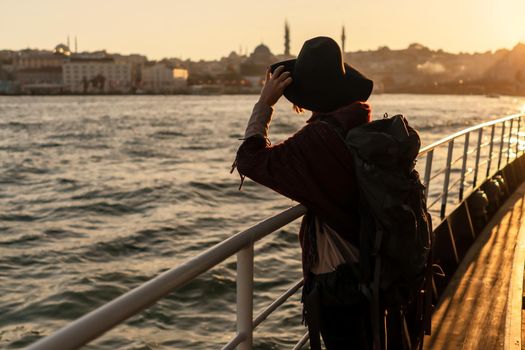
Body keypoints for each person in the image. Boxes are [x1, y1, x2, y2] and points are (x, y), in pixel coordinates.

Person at [233, 36, 374, 349]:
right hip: (372, 264)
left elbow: (251, 160)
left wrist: (264, 106)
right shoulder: (358, 122)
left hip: (341, 279)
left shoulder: (319, 140)